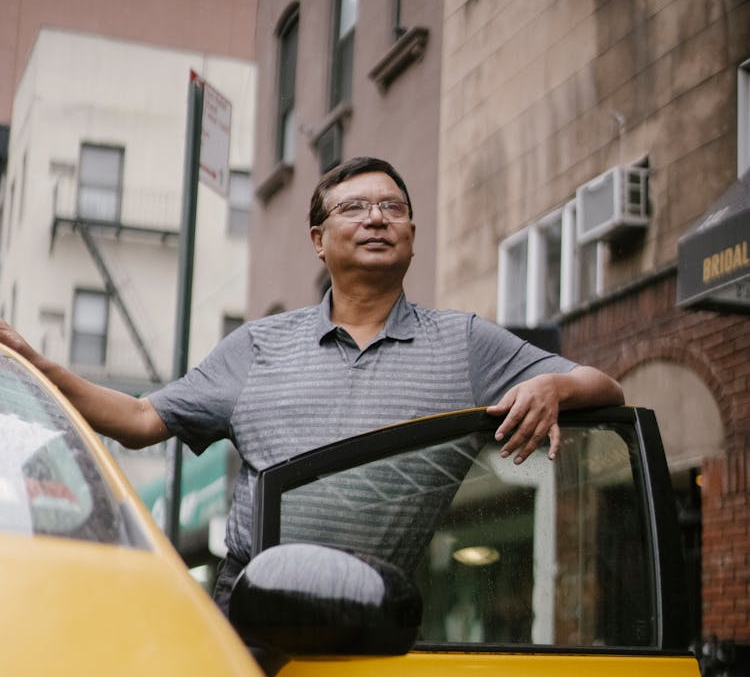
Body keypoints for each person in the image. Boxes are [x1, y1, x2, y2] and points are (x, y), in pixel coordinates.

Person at [0, 155, 624, 613]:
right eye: (353, 208)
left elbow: (605, 387)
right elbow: (140, 420)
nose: (377, 218)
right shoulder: (258, 345)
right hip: (250, 626)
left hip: (382, 623)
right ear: (318, 241)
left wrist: (556, 389)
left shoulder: (465, 344)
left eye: (393, 208)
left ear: (411, 236)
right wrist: (36, 363)